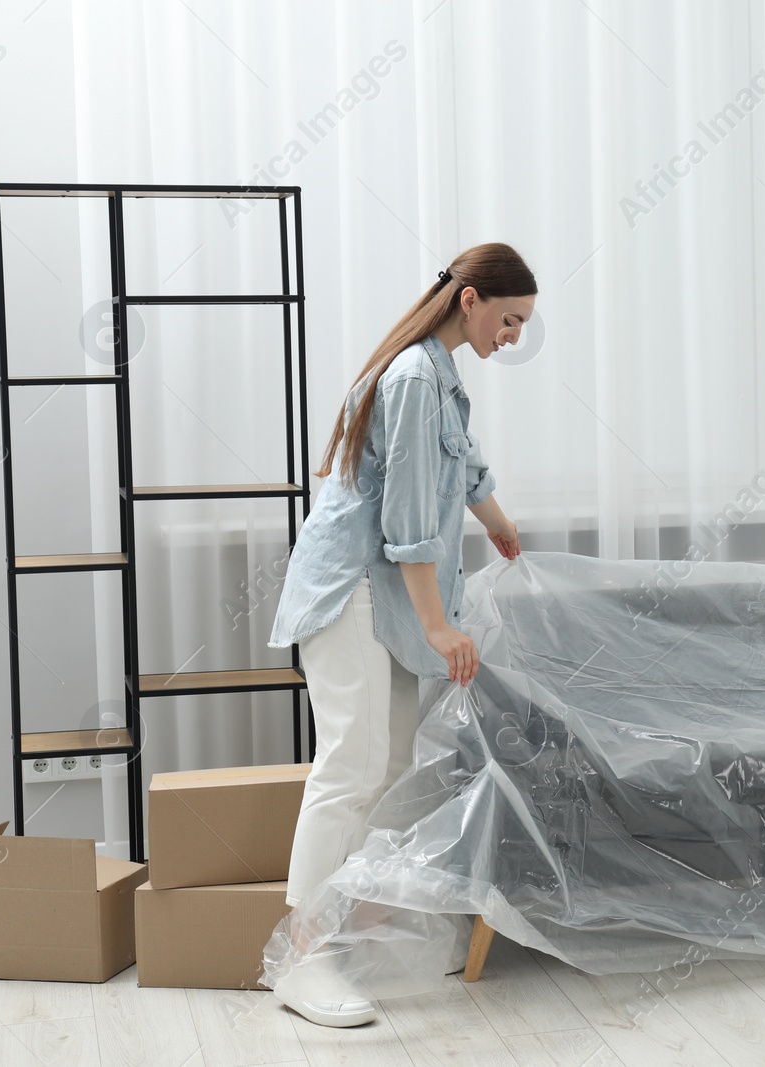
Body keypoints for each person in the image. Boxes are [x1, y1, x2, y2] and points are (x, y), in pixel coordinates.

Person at [264, 242, 537, 1027]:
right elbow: (410, 523)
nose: (513, 335)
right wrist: (439, 625)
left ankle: (354, 933)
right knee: (349, 765)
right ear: (470, 301)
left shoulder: (440, 379)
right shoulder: (417, 378)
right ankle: (301, 959)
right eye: (509, 318)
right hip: (352, 590)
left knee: (386, 767)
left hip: (379, 595)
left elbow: (464, 470)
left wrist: (499, 523)